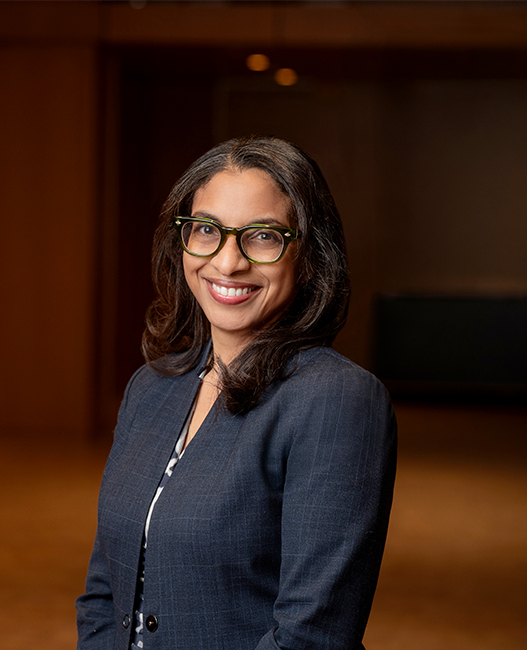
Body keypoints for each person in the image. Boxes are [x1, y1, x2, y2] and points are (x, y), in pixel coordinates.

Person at [76, 136, 397, 650]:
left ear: (309, 253)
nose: (227, 263)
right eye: (206, 230)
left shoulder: (337, 401)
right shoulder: (152, 387)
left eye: (263, 237)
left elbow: (313, 635)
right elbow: (104, 592)